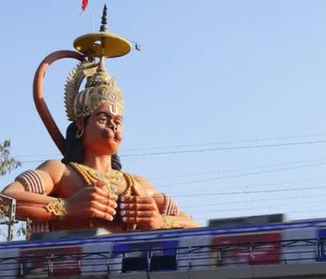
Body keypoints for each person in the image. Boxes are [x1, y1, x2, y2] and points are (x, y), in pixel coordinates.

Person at [1, 61, 198, 236]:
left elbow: (194, 227)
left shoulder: (137, 184)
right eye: (103, 119)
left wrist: (159, 221)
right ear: (81, 124)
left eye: (117, 122)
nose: (112, 126)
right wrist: (67, 207)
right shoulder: (59, 172)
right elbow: (6, 200)